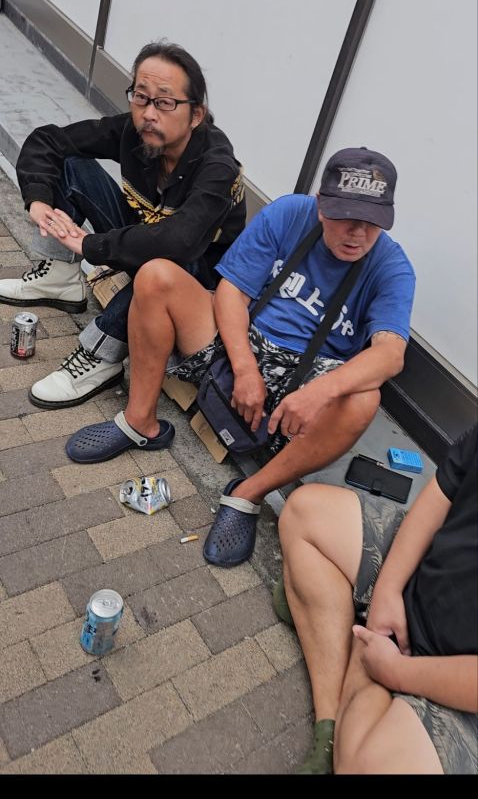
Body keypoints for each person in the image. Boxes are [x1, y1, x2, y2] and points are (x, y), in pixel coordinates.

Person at [63, 145, 416, 569]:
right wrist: (245, 367)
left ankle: (248, 494)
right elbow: (232, 291)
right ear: (321, 204)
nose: (357, 234)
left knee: (365, 399)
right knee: (157, 276)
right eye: (346, 218)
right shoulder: (289, 214)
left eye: (371, 223)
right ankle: (141, 422)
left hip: (308, 375)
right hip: (243, 339)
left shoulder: (391, 265)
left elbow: (390, 354)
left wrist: (318, 393)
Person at [0, 40, 246, 412]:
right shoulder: (135, 131)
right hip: (146, 240)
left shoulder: (218, 166)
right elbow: (48, 140)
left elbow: (178, 242)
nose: (148, 113)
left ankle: (101, 356)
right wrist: (38, 201)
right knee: (70, 163)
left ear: (196, 114)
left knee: (160, 265)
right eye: (141, 97)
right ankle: (59, 280)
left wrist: (93, 246)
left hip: (192, 278)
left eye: (165, 102)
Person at [275, 423, 478, 775]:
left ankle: (332, 617)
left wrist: (397, 672)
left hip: (461, 687)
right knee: (303, 513)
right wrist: (387, 590)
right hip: (421, 582)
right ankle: (329, 728)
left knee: (366, 765)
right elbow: (442, 491)